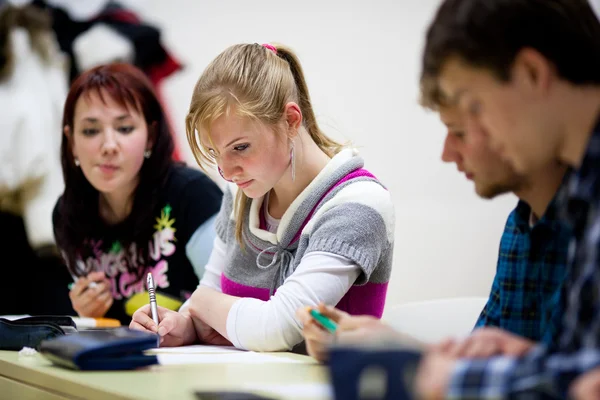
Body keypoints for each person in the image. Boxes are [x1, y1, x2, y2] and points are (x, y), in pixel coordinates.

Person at [130, 43, 395, 352]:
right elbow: (210, 298)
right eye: (216, 153)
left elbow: (276, 328)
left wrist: (200, 304)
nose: (226, 172)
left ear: (291, 121)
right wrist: (184, 325)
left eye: (240, 147)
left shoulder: (359, 203)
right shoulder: (239, 191)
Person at [297, 82, 570, 362]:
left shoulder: (582, 225)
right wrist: (389, 344)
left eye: (461, 132)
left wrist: (404, 353)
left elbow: (566, 381)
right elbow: (482, 367)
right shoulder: (520, 225)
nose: (446, 154)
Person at [414, 0, 600, 397]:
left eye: (475, 107)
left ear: (532, 74)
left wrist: (433, 376)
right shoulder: (581, 199)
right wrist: (530, 359)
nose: (480, 134)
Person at [53, 63, 222, 325]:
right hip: (120, 357)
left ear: (151, 136)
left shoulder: (192, 194)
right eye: (90, 131)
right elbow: (105, 322)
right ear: (72, 142)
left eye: (124, 128)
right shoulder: (67, 213)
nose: (109, 145)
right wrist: (88, 311)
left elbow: (227, 297)